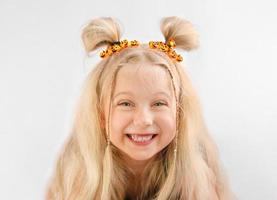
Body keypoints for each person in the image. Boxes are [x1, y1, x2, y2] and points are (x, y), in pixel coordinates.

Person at [45, 16, 236, 200]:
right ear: (100, 114)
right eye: (126, 104)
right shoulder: (78, 171)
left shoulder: (197, 174)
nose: (144, 119)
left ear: (179, 113)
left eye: (159, 103)